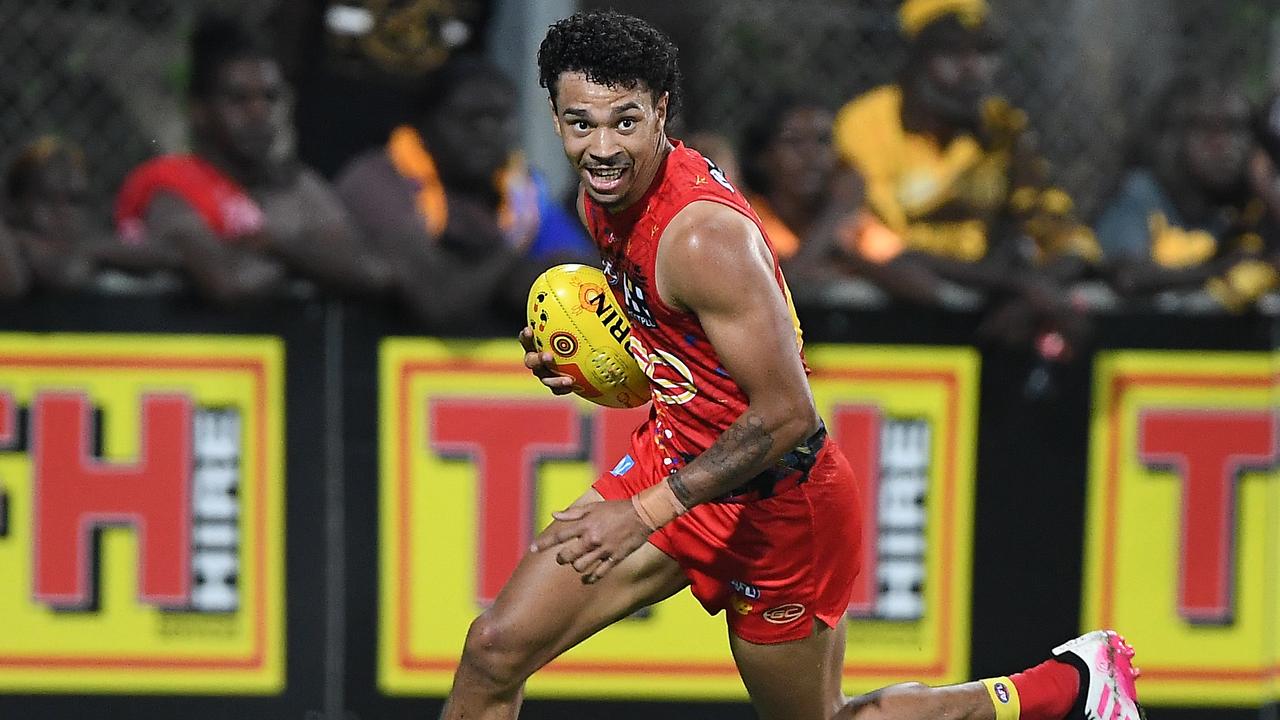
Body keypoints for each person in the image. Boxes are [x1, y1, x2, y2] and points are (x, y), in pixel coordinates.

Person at [440, 10, 1144, 720]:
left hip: (779, 504)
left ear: (660, 112)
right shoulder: (604, 198)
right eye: (579, 123)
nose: (601, 147)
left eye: (624, 122)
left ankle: (1069, 685)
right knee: (494, 649)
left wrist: (641, 515)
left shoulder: (703, 237)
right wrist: (597, 364)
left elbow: (787, 414)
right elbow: (683, 350)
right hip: (681, 461)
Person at [831, 0, 1098, 347]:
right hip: (893, 326)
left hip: (998, 319)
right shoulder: (866, 125)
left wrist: (1038, 290)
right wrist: (1015, 284)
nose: (973, 70)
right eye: (952, 55)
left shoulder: (1004, 126)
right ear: (914, 60)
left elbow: (1060, 229)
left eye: (985, 53)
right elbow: (888, 249)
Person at [114, 14, 391, 306]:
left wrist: (274, 246)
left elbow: (370, 272)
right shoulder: (171, 187)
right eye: (239, 99)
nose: (259, 114)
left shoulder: (297, 185)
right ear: (199, 111)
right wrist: (310, 259)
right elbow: (228, 281)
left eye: (270, 98)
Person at [336, 54, 594, 333]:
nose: (485, 132)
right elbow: (440, 303)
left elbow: (584, 285)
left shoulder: (518, 187)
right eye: (468, 118)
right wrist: (512, 246)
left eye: (498, 118)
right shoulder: (379, 180)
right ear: (425, 123)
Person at [1096, 76, 1278, 311]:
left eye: (1237, 129)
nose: (1225, 146)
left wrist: (1267, 188)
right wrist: (1220, 270)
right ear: (1174, 136)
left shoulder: (1242, 210)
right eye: (1207, 129)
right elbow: (1128, 276)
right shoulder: (1139, 195)